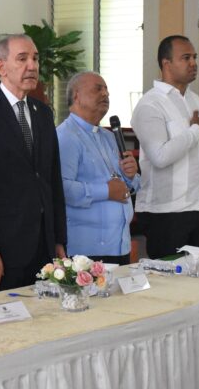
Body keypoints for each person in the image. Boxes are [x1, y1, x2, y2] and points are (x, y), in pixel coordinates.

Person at [0, 34, 67, 292]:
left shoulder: (43, 113)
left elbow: (53, 181)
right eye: (22, 59)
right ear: (1, 67)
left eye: (35, 59)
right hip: (5, 247)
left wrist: (58, 240)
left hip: (43, 245)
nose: (32, 66)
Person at [130, 35, 199, 258]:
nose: (193, 63)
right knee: (170, 277)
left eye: (194, 57)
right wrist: (196, 130)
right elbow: (159, 156)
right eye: (186, 58)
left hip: (197, 208)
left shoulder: (194, 100)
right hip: (166, 213)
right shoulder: (150, 104)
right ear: (166, 63)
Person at [57, 72, 140, 265]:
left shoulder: (109, 137)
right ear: (76, 96)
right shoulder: (66, 136)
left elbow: (125, 186)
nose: (105, 94)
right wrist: (106, 191)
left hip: (119, 244)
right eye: (98, 89)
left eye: (107, 90)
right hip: (87, 251)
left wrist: (131, 176)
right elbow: (61, 188)